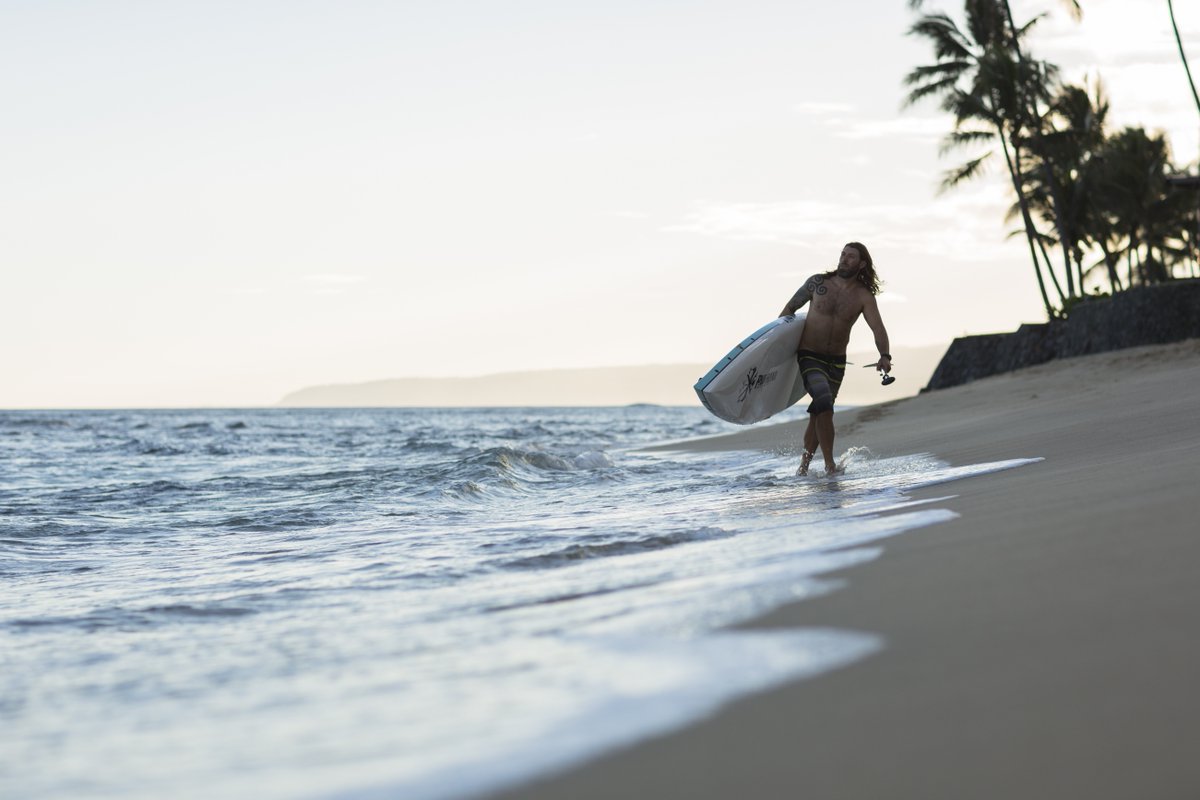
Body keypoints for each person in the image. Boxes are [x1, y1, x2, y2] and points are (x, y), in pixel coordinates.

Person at [778, 242, 891, 476]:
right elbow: (789, 309)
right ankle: (830, 466)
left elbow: (877, 328)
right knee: (824, 401)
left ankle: (803, 467)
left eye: (850, 257)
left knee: (820, 411)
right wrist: (774, 350)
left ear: (861, 264)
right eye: (842, 255)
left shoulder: (863, 296)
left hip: (837, 362)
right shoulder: (817, 283)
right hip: (809, 355)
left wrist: (885, 355)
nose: (844, 259)